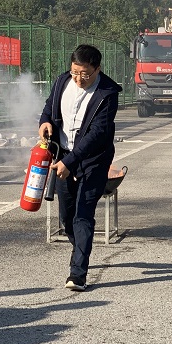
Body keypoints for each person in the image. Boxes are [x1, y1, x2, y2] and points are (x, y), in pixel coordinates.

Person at [39, 44, 122, 291]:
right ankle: (80, 249)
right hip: (63, 155)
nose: (78, 79)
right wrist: (44, 122)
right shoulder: (62, 81)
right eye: (74, 72)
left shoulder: (107, 93)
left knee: (82, 214)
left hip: (93, 160)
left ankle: (78, 274)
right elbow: (49, 107)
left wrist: (71, 162)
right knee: (66, 218)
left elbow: (97, 134)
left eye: (84, 74)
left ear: (97, 69)